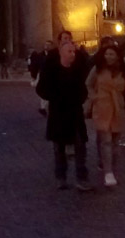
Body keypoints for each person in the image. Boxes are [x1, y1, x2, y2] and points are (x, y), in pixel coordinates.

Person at [37, 40, 92, 191]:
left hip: (75, 114)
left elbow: (84, 89)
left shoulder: (77, 71)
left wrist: (80, 99)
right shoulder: (52, 70)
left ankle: (81, 177)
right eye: (69, 52)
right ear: (61, 53)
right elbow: (41, 89)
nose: (73, 54)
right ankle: (61, 177)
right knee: (59, 148)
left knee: (80, 146)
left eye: (74, 52)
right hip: (58, 114)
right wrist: (54, 97)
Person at [86, 43, 125, 187]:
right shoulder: (97, 69)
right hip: (102, 107)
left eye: (111, 54)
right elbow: (88, 84)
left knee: (116, 142)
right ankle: (108, 172)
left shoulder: (124, 71)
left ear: (117, 56)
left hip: (118, 108)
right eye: (106, 54)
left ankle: (112, 167)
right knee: (106, 140)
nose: (108, 57)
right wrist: (94, 97)